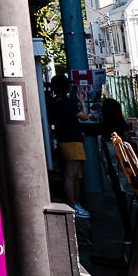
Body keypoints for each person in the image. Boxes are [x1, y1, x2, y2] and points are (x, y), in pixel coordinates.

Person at [47, 72, 90, 219]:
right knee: (71, 175)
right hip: (72, 141)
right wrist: (82, 101)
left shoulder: (54, 102)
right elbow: (84, 115)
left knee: (74, 175)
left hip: (65, 140)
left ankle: (76, 204)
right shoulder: (65, 102)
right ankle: (73, 205)